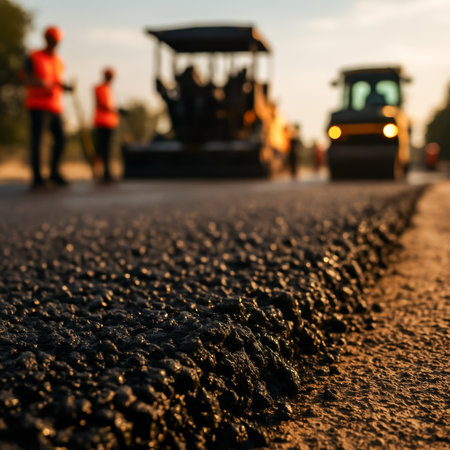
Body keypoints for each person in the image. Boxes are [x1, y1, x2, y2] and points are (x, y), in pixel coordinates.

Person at [19, 26, 73, 189]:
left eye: (56, 41)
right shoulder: (34, 57)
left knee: (61, 140)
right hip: (38, 106)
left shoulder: (59, 61)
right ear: (46, 39)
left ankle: (54, 172)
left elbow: (57, 81)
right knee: (38, 142)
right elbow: (23, 78)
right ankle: (37, 177)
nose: (54, 43)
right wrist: (38, 83)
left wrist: (66, 87)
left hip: (55, 107)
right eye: (51, 39)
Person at [93, 67, 120, 182]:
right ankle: (104, 173)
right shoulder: (100, 88)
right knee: (103, 149)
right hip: (102, 122)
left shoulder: (109, 89)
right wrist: (116, 111)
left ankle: (106, 172)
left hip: (110, 123)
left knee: (106, 148)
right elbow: (103, 104)